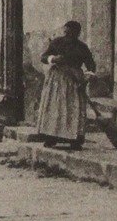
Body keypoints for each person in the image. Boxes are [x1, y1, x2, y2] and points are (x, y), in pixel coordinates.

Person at [34, 20, 97, 149]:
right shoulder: (57, 42)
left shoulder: (82, 47)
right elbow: (43, 57)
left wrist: (86, 78)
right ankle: (51, 137)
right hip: (57, 80)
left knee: (72, 109)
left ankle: (74, 139)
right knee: (55, 107)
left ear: (77, 34)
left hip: (74, 82)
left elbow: (91, 65)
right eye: (66, 32)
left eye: (71, 33)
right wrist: (54, 59)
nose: (68, 35)